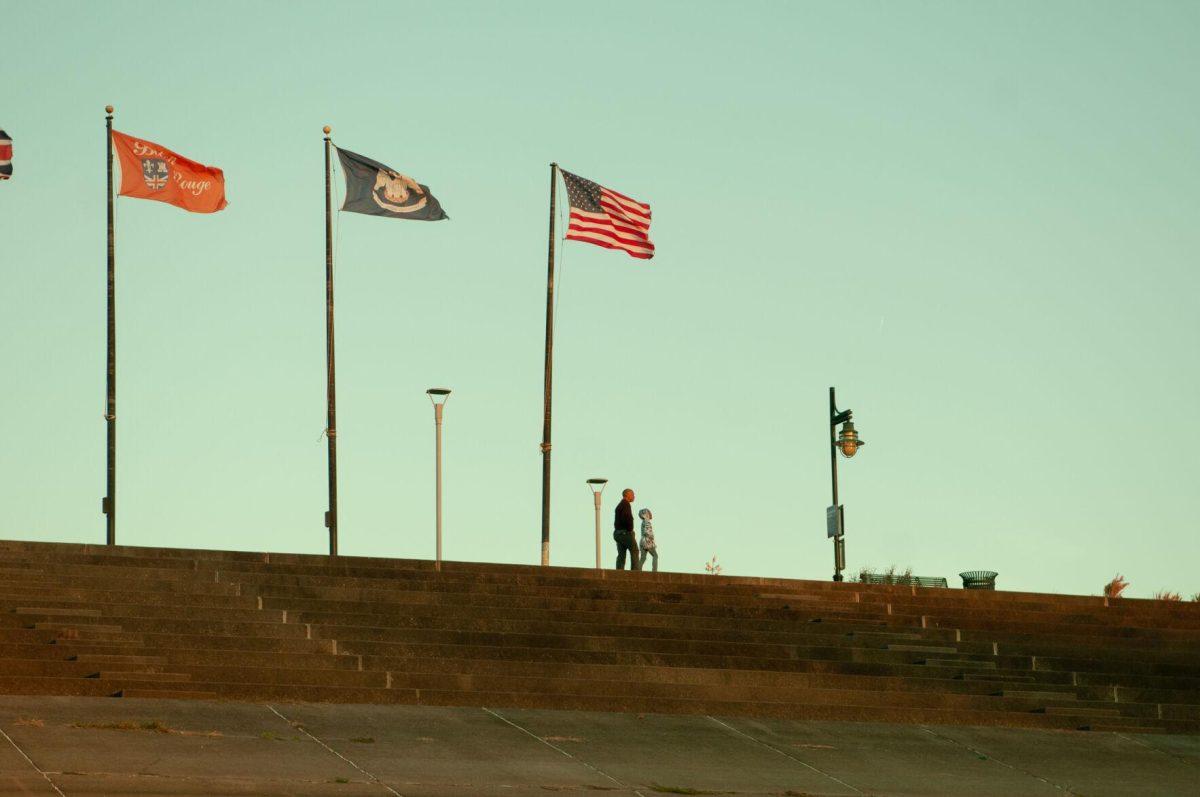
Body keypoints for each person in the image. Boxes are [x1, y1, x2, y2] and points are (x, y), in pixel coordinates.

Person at [613, 488, 640, 570]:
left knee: (621, 554)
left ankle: (619, 572)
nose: (634, 496)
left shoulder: (620, 505)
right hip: (625, 533)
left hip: (618, 533)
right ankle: (635, 572)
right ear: (627, 495)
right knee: (634, 551)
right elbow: (627, 518)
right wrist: (630, 530)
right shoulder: (626, 504)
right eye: (632, 494)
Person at [638, 508, 658, 572]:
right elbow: (646, 531)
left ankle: (638, 570)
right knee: (655, 555)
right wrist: (651, 536)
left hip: (643, 541)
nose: (650, 514)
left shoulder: (643, 522)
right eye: (649, 513)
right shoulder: (647, 521)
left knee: (643, 558)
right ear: (646, 514)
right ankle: (654, 571)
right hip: (648, 541)